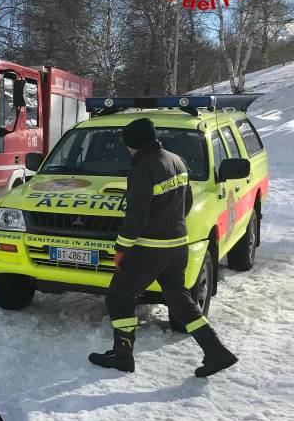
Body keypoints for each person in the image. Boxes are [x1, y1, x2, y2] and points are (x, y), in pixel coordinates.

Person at [89, 118, 238, 377]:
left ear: (132, 144)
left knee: (118, 297)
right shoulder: (175, 160)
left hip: (150, 248)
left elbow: (136, 214)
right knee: (178, 298)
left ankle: (123, 354)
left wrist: (122, 246)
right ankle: (216, 351)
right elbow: (186, 202)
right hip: (177, 244)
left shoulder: (143, 168)